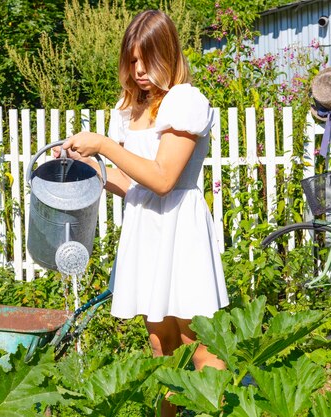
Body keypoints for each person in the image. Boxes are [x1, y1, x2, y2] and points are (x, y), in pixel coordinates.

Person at [57, 9, 229, 416]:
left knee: (198, 343)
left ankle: (221, 410)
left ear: (168, 54)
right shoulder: (130, 108)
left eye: (146, 60)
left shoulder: (185, 101)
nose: (137, 70)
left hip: (179, 228)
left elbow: (164, 178)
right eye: (131, 60)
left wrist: (103, 146)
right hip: (146, 228)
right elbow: (132, 183)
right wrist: (90, 170)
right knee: (160, 343)